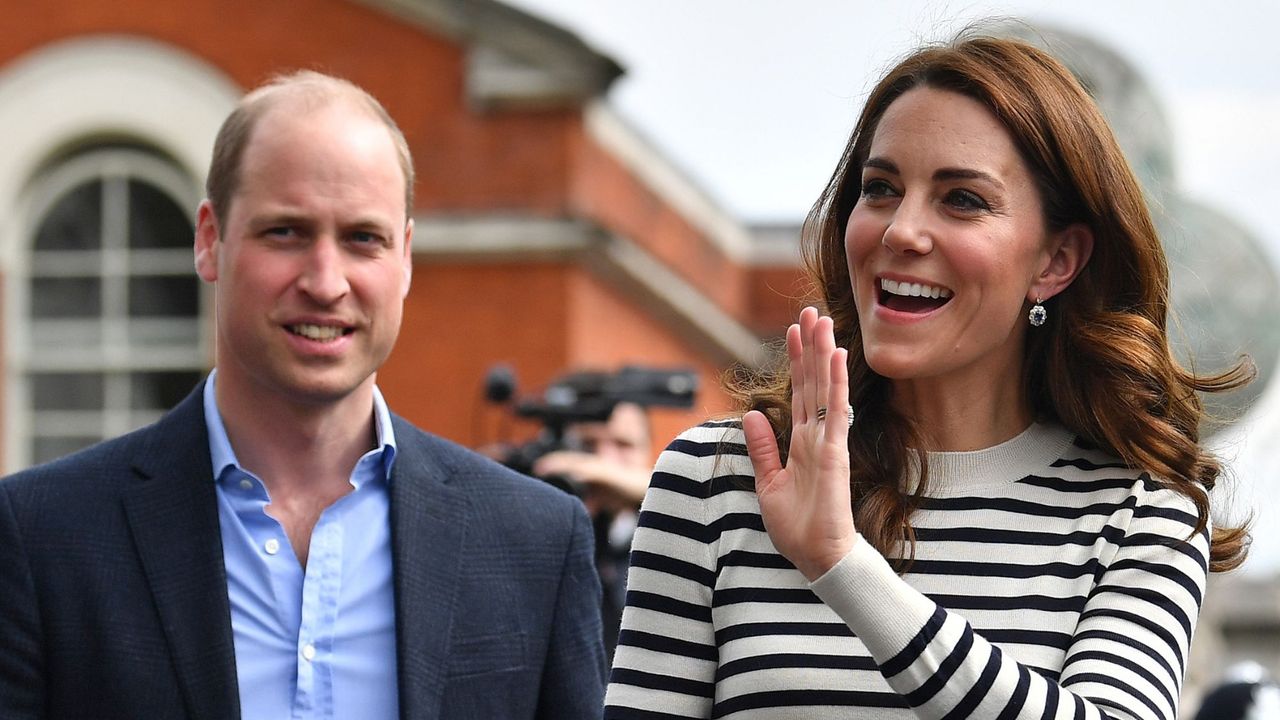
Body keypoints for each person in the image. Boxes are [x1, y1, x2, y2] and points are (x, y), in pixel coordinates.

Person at [604, 32, 1251, 720]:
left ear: (1056, 261)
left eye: (962, 200)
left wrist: (843, 568)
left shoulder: (1140, 512)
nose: (901, 230)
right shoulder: (718, 479)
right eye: (880, 189)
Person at [0, 71, 605, 719]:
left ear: (405, 258)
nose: (325, 281)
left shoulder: (534, 541)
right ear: (210, 240)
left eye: (361, 239)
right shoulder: (44, 535)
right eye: (285, 232)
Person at [534, 401, 653, 659]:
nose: (605, 458)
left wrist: (596, 472)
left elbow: (671, 488)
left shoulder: (664, 518)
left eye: (623, 445)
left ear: (649, 451)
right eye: (590, 445)